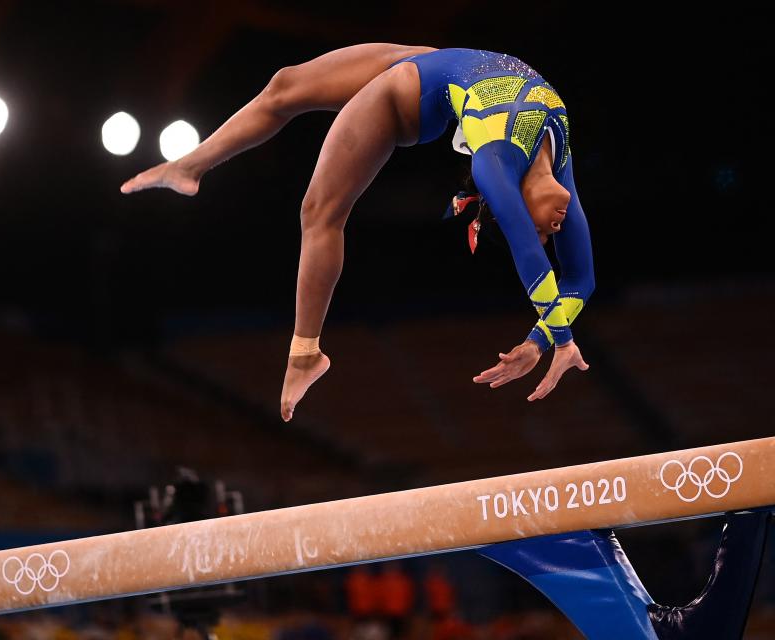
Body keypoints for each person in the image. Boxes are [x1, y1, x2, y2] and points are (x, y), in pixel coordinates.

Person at [121, 45, 594, 422]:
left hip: (403, 96)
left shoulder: (493, 163)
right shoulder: (555, 162)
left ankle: (305, 352)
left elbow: (567, 273)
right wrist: (556, 338)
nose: (553, 232)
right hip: (445, 64)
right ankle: (189, 167)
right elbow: (556, 269)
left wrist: (543, 339)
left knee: (319, 211)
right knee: (284, 85)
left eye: (543, 234)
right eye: (546, 233)